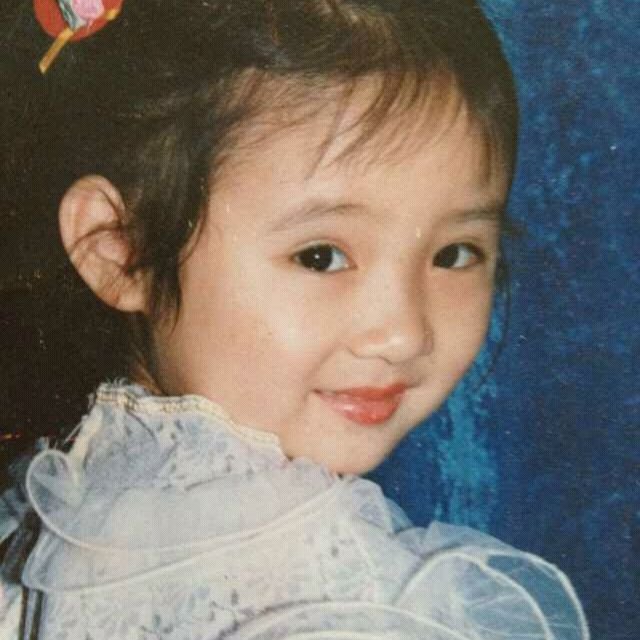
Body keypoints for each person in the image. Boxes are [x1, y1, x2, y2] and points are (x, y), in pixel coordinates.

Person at [0, 0, 590, 638]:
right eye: (321, 256)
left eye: (454, 254)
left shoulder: (72, 514)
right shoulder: (338, 599)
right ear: (121, 250)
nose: (403, 334)